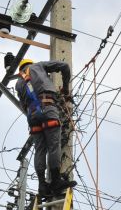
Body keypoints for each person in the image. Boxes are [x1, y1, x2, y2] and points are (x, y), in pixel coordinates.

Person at [15, 57, 76, 198]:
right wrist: (65, 87)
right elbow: (64, 66)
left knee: (40, 149)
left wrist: (35, 113)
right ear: (31, 63)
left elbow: (22, 105)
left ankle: (42, 186)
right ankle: (55, 181)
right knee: (54, 145)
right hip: (48, 107)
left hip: (32, 116)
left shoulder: (18, 83)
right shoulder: (39, 66)